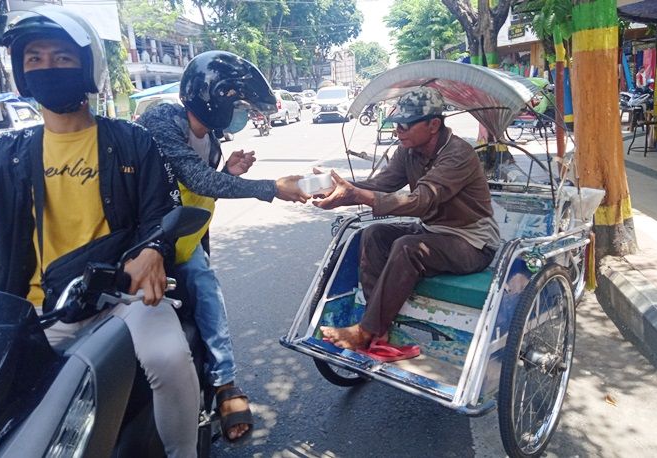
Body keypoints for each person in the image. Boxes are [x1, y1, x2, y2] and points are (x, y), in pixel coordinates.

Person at [0, 6, 199, 457]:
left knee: (168, 358)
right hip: (36, 310)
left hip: (122, 296)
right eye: (34, 59)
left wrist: (153, 248)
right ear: (20, 72)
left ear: (86, 66)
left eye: (61, 57)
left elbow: (162, 212)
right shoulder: (5, 152)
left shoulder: (132, 140)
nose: (47, 68)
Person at [137, 50, 309, 443]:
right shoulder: (161, 121)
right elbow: (195, 179)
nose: (241, 111)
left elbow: (204, 180)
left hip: (187, 240)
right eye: (237, 102)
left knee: (207, 291)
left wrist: (226, 170)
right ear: (212, 98)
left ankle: (225, 383)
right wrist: (270, 189)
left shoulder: (212, 138)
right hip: (147, 242)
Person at [313, 87, 499, 350]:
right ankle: (379, 328)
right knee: (373, 234)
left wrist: (357, 195)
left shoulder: (458, 154)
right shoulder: (408, 150)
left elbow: (422, 200)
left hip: (472, 241)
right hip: (432, 230)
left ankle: (365, 331)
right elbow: (382, 184)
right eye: (396, 124)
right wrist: (340, 188)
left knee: (408, 248)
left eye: (405, 124)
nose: (398, 130)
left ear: (433, 124)